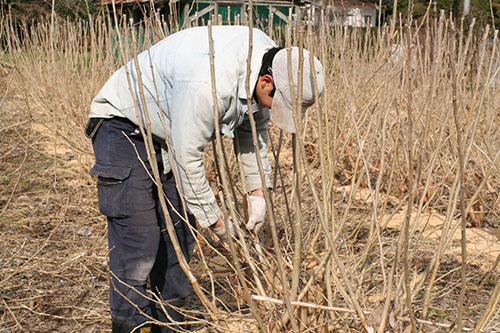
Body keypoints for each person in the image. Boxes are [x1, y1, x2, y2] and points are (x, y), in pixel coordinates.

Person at [85, 25, 324, 333]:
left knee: (180, 238)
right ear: (267, 82)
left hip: (168, 132)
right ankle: (132, 326)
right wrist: (216, 222)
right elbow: (188, 157)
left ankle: (169, 325)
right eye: (277, 102)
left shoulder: (274, 61)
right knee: (140, 243)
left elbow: (252, 131)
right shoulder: (209, 84)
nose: (274, 110)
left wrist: (258, 193)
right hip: (124, 125)